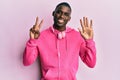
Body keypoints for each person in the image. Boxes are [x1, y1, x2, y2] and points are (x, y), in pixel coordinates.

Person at [23, 2, 96, 80]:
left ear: (69, 18)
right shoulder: (41, 36)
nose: (61, 16)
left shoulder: (77, 36)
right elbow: (27, 62)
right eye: (59, 12)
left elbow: (91, 63)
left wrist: (89, 41)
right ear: (53, 13)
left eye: (66, 14)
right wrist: (33, 40)